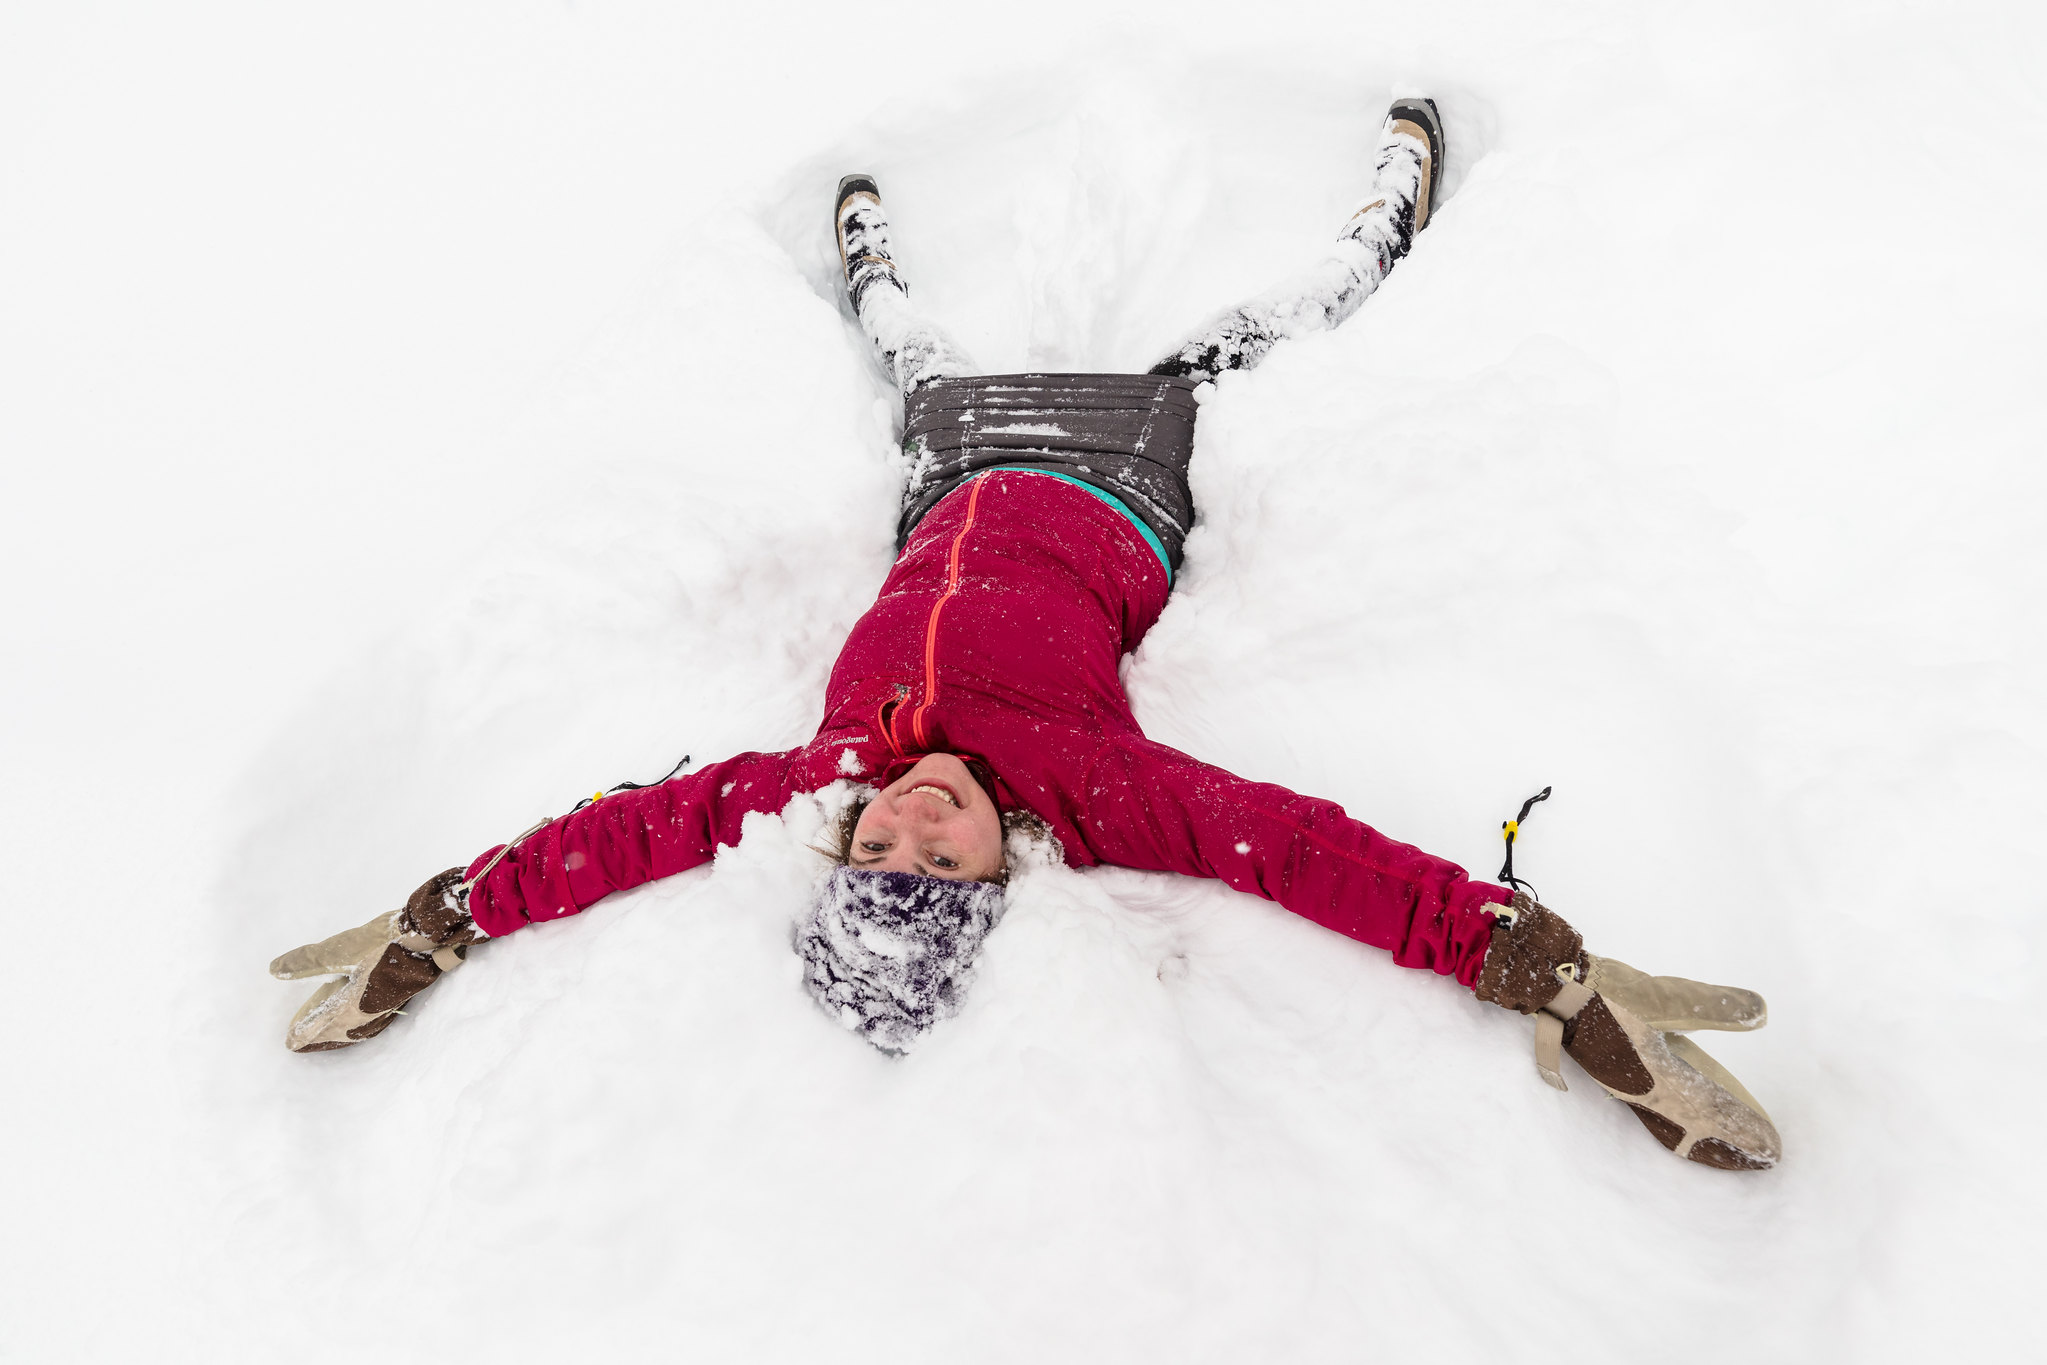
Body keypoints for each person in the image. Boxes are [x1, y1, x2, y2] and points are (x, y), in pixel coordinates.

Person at [270, 98, 1782, 1171]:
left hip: (952, 476)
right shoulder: (1096, 791)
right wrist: (1532, 961)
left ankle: (861, 246)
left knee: (910, 348)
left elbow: (624, 834)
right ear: (1007, 874)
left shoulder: (820, 772)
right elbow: (1316, 852)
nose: (917, 826)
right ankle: (1389, 198)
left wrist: (450, 913)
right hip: (1120, 479)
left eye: (882, 856)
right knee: (1252, 341)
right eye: (944, 864)